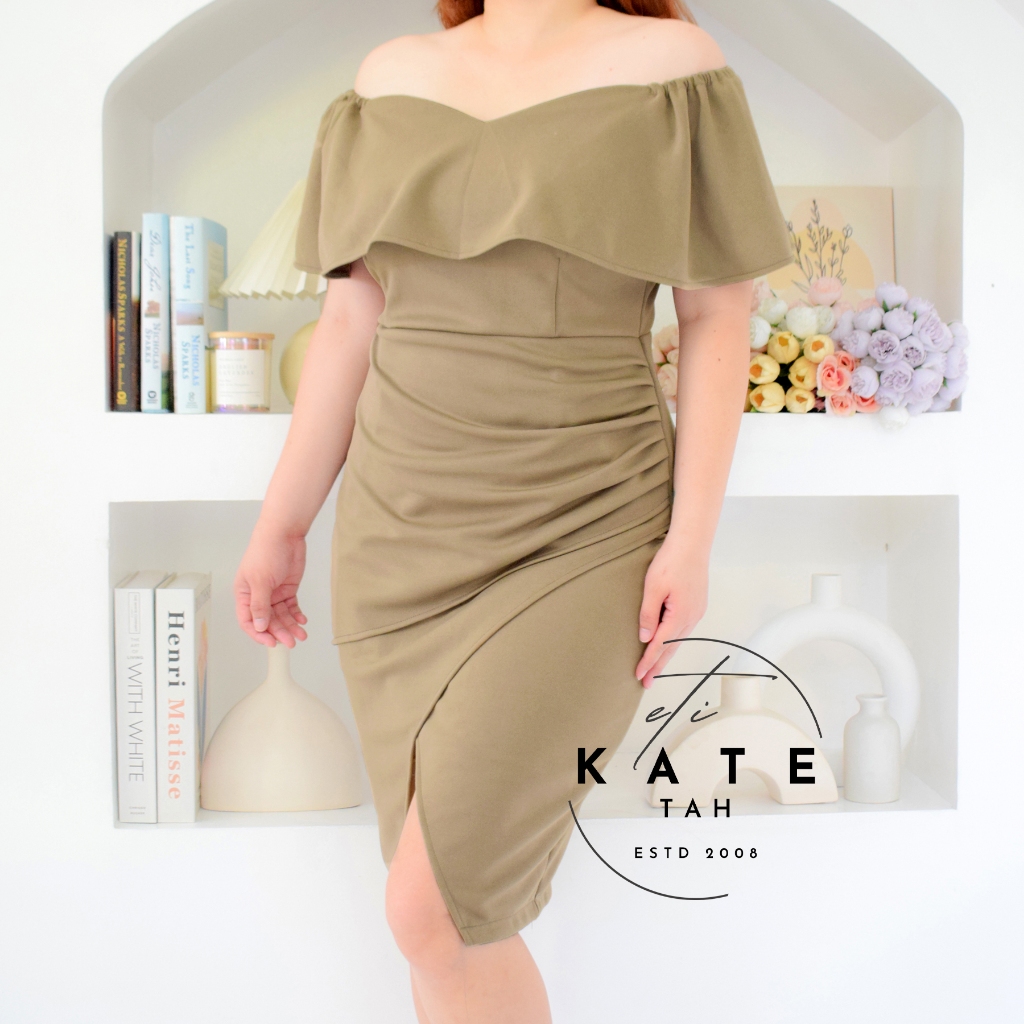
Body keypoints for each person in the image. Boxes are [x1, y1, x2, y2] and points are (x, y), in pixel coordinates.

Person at [233, 0, 794, 1019]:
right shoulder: (389, 75)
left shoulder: (673, 64)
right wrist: (282, 522)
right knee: (439, 921)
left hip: (585, 520)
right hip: (398, 534)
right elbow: (351, 317)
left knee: (433, 913)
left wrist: (691, 540)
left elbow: (718, 312)